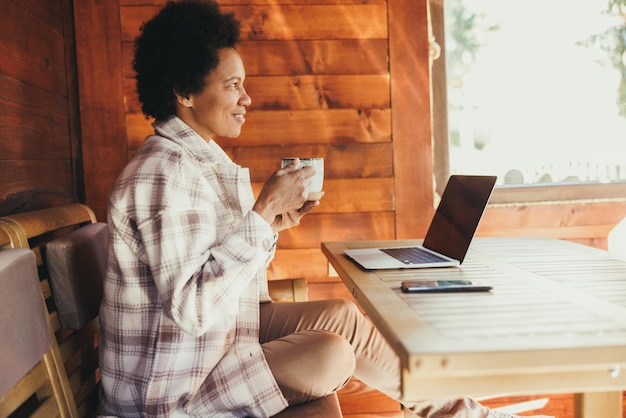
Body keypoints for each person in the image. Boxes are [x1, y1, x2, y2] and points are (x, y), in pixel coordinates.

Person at [98, 1, 554, 417]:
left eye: (245, 85)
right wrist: (259, 218)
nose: (247, 98)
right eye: (233, 85)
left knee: (341, 317)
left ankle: (466, 414)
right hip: (168, 389)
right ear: (184, 91)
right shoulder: (163, 173)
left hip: (210, 344)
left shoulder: (196, 161)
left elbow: (221, 280)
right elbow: (192, 308)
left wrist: (271, 224)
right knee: (332, 354)